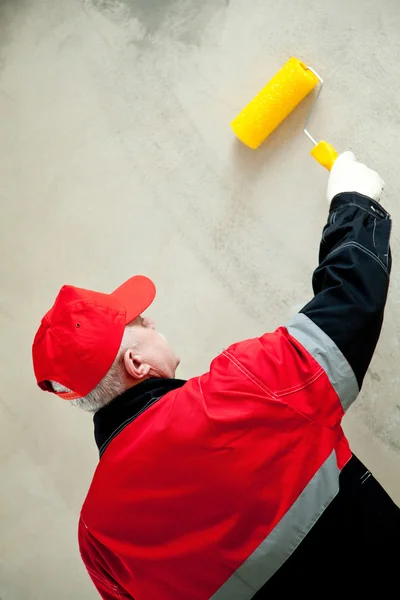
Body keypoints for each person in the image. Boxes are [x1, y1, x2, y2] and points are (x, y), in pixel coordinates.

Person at [32, 152, 399, 599]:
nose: (150, 322)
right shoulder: (237, 391)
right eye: (139, 323)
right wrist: (354, 202)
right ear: (136, 365)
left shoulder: (97, 540)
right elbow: (347, 308)